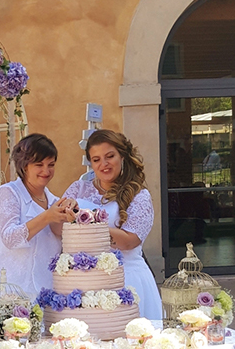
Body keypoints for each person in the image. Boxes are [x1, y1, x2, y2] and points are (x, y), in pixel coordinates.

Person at [64, 129, 163, 320]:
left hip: (127, 280)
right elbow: (56, 228)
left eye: (110, 156)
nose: (104, 164)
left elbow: (129, 241)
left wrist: (84, 221)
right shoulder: (78, 188)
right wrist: (62, 213)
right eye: (96, 159)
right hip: (85, 282)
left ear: (122, 156)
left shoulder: (139, 196)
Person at [0, 133, 75, 300]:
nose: (46, 171)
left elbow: (60, 240)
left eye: (51, 164)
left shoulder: (54, 201)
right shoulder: (9, 193)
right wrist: (47, 217)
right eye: (39, 164)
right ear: (24, 166)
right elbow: (10, 238)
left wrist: (71, 219)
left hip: (44, 295)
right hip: (5, 293)